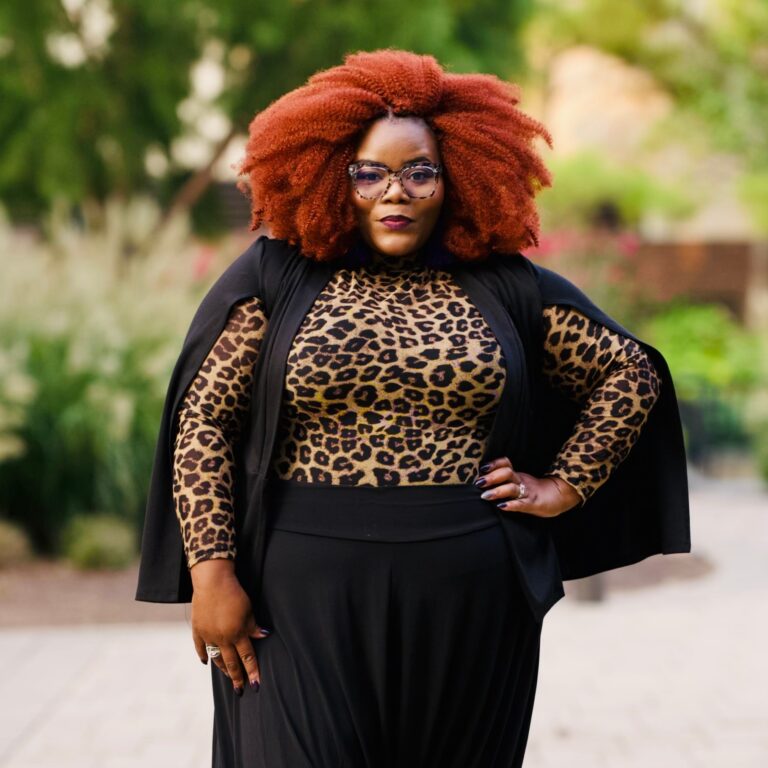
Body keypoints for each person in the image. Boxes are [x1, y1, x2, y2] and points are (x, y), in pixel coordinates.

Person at [135, 49, 691, 767]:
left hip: (471, 595)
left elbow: (631, 371)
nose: (394, 192)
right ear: (333, 176)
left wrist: (563, 487)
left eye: (419, 172)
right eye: (369, 173)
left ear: (456, 176)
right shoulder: (278, 275)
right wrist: (211, 572)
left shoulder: (504, 285)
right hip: (298, 598)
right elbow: (206, 418)